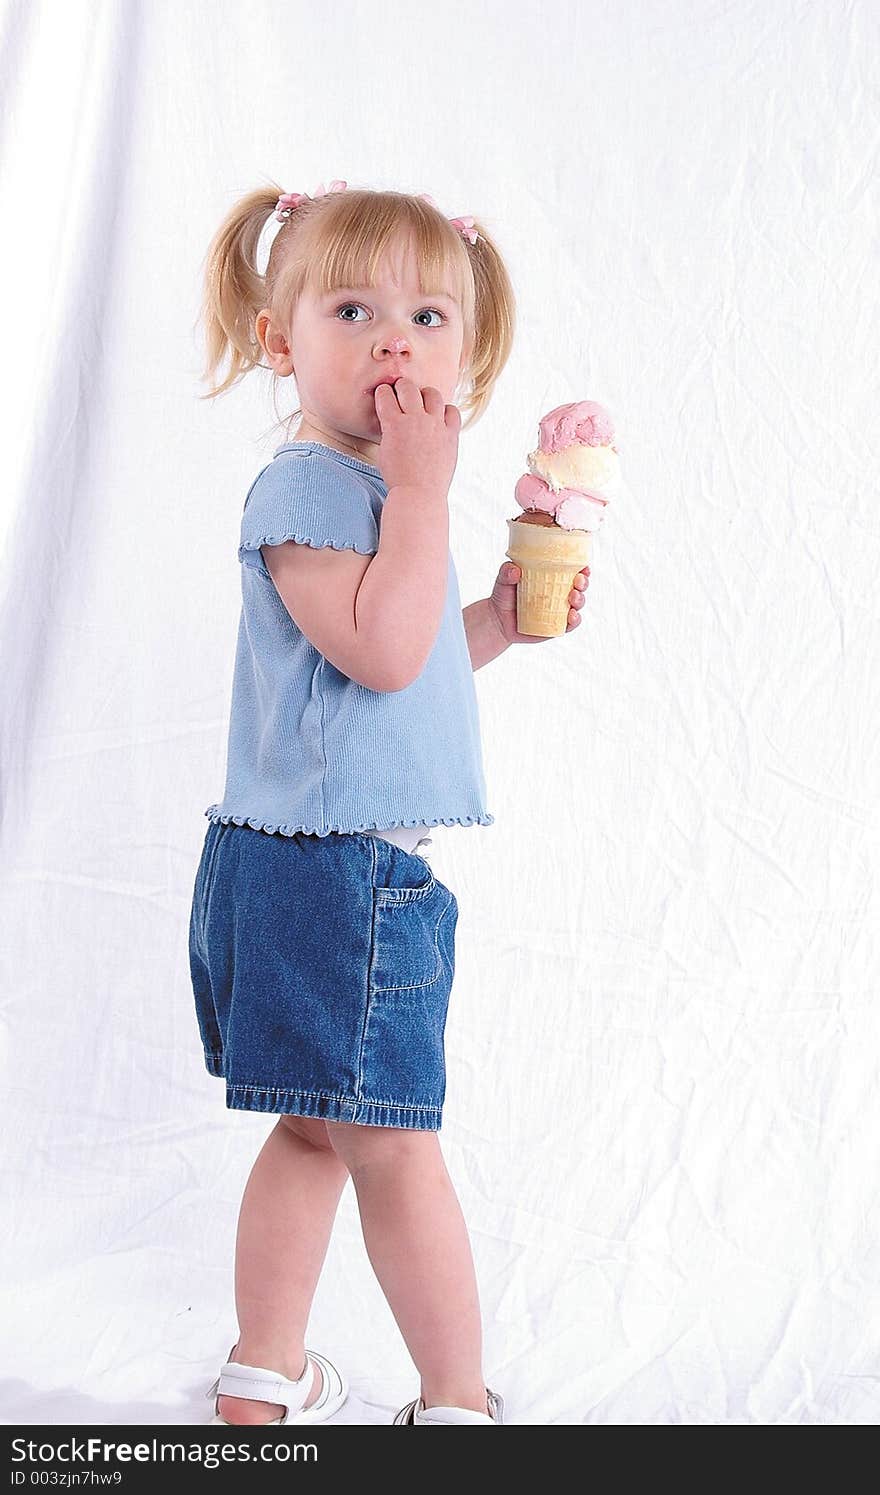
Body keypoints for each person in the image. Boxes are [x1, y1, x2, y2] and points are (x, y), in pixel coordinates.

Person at [188, 179, 590, 1428]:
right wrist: (422, 494)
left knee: (315, 1135)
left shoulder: (359, 500)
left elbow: (392, 669)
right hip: (338, 877)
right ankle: (457, 1402)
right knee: (398, 1145)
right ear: (279, 339)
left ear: (464, 356)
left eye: (427, 317)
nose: (394, 343)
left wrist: (502, 625)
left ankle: (265, 1374)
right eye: (353, 309)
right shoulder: (315, 492)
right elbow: (380, 648)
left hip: (306, 864)